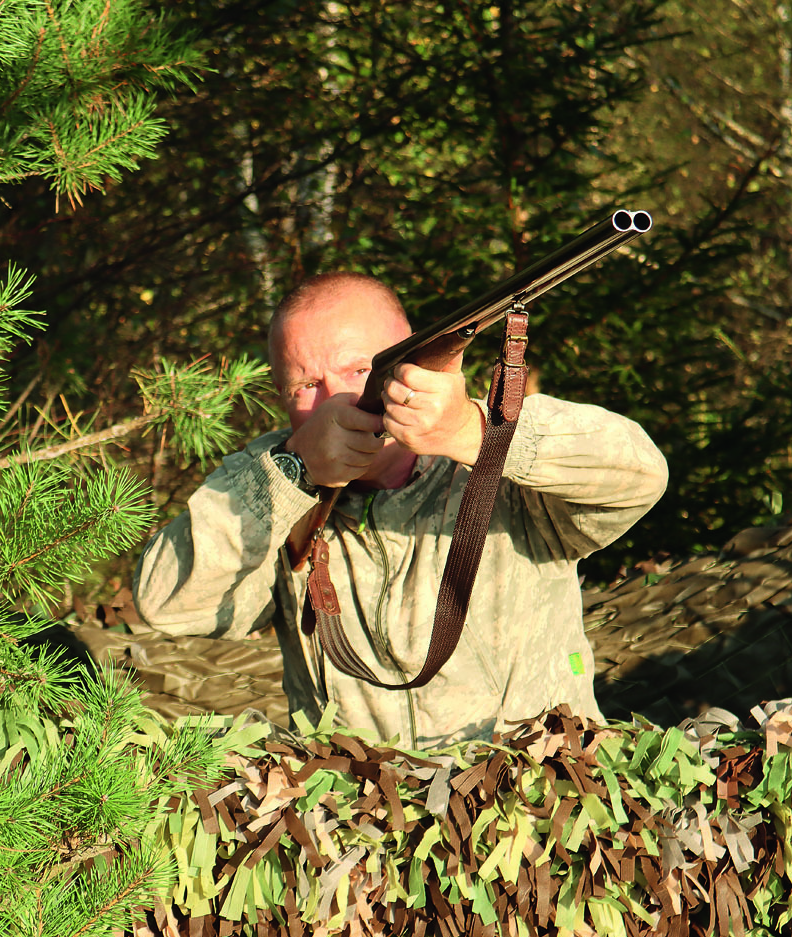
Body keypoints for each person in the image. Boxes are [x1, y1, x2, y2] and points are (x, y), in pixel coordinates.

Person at [132, 272, 668, 748]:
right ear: (278, 396)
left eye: (360, 368)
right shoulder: (273, 479)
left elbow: (640, 475)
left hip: (540, 808)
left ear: (411, 363)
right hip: (361, 825)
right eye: (305, 385)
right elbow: (169, 602)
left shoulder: (500, 465)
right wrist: (293, 474)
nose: (338, 399)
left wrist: (474, 433)